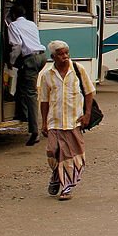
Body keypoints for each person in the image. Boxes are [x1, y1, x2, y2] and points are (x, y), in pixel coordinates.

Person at [36, 40, 95, 201]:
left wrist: (87, 114)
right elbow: (44, 100)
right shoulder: (47, 75)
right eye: (61, 54)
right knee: (52, 152)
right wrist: (43, 123)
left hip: (73, 122)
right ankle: (56, 174)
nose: (65, 57)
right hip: (54, 121)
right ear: (53, 57)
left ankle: (67, 188)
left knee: (71, 156)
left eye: (66, 53)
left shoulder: (78, 70)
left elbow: (89, 92)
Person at [8, 3, 48, 146]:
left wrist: (11, 62)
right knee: (22, 86)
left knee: (30, 93)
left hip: (30, 59)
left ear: (13, 15)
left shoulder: (13, 25)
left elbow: (17, 45)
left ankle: (34, 131)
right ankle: (24, 114)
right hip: (41, 57)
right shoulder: (31, 23)